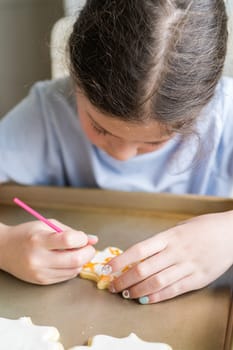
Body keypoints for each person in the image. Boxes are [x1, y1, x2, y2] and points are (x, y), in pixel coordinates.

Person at [0, 0, 232, 304]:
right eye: (101, 128)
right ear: (76, 81)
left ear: (199, 110)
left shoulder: (225, 118)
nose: (121, 155)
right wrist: (5, 245)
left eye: (153, 142)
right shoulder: (47, 113)